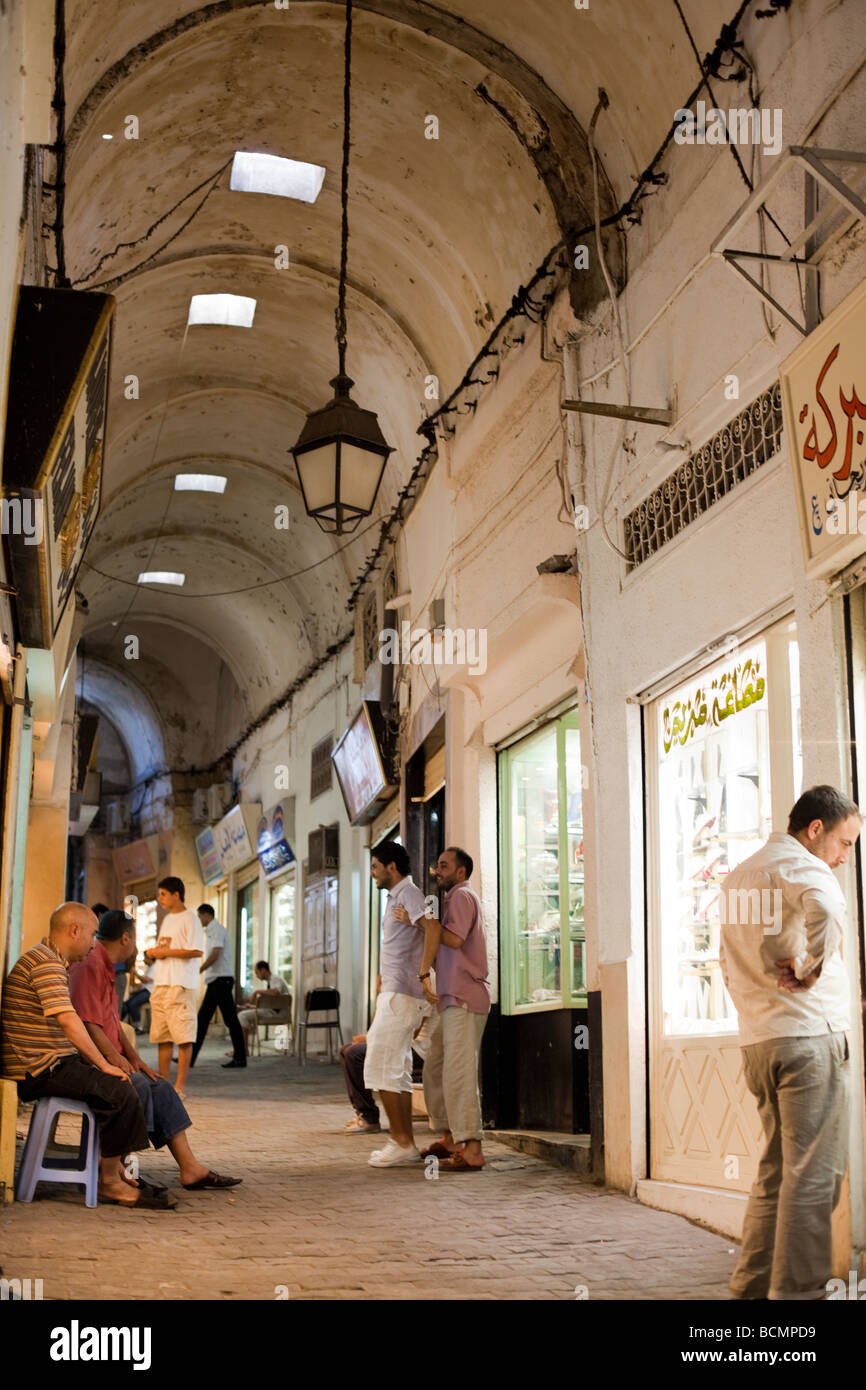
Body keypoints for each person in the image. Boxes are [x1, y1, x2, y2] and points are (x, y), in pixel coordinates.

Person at [719, 784, 861, 1301]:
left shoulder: (738, 876)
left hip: (761, 1042)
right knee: (814, 1177)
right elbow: (827, 907)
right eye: (844, 845)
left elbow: (726, 962)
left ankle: (751, 1290)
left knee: (777, 1172)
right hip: (808, 1038)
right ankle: (798, 1299)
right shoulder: (802, 866)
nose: (845, 859)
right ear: (815, 829)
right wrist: (810, 968)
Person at [0, 902, 172, 1209]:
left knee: (125, 1083)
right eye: (92, 935)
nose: (94, 944)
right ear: (74, 930)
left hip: (51, 1063)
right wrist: (103, 1064)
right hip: (37, 1069)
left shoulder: (52, 961)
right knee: (119, 1088)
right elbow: (69, 1020)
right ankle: (109, 1184)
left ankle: (115, 1172)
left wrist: (104, 1063)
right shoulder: (45, 962)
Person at [69, 909, 241, 1191]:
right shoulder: (90, 962)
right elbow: (88, 1023)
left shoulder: (106, 963)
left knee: (158, 1084)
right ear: (126, 938)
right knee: (137, 1085)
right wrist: (115, 1061)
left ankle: (190, 1168)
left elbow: (112, 1021)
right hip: (88, 1060)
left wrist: (135, 1058)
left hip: (107, 1055)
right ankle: (115, 1168)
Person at [396, 845, 490, 1171]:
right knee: (436, 1063)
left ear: (461, 872)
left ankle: (472, 1148)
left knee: (459, 1071)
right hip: (449, 998)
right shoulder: (449, 901)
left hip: (465, 998)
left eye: (445, 866)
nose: (438, 871)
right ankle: (450, 1137)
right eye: (438, 865)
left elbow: (453, 940)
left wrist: (421, 922)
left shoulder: (463, 897)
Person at [364, 840, 432, 1167]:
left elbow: (432, 928)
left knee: (381, 1063)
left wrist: (423, 974)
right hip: (395, 991)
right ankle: (405, 1143)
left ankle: (401, 1141)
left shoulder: (410, 894)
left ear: (391, 867)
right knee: (396, 1067)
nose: (373, 873)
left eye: (376, 867)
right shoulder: (398, 897)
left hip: (403, 994)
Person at [145, 877, 204, 1098]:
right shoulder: (168, 919)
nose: (160, 898)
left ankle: (180, 1087)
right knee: (162, 1035)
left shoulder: (191, 919)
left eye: (163, 894)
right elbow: (166, 947)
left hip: (181, 983)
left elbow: (196, 951)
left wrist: (165, 953)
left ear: (176, 894)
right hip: (161, 982)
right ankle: (164, 1085)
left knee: (183, 1035)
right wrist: (155, 953)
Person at [191, 905, 247, 1069]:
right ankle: (190, 1057)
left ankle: (240, 1058)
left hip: (221, 980)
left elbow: (215, 954)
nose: (199, 919)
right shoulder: (209, 931)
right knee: (202, 1020)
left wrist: (199, 969)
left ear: (206, 915)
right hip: (215, 980)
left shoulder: (217, 930)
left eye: (199, 916)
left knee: (230, 1019)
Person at [234, 960, 290, 1054]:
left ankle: (242, 1050)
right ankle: (242, 1049)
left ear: (263, 970)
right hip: (274, 1012)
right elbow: (271, 1004)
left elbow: (275, 992)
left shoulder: (275, 979)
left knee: (242, 1016)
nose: (256, 975)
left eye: (257, 972)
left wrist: (257, 992)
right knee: (244, 1014)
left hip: (279, 1014)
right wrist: (252, 1007)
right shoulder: (271, 981)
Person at [340, 1036, 381, 1133]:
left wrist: (371, 1039)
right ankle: (364, 1114)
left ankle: (369, 1117)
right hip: (390, 1041)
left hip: (413, 1047)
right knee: (345, 1049)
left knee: (354, 1053)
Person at [122, 960, 153, 1033]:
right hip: (146, 990)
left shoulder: (155, 967)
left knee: (133, 1003)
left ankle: (139, 1027)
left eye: (146, 957)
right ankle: (120, 1022)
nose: (144, 960)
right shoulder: (149, 968)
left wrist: (135, 972)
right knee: (127, 1003)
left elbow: (146, 980)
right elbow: (144, 984)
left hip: (150, 992)